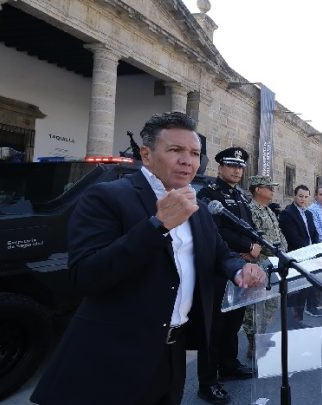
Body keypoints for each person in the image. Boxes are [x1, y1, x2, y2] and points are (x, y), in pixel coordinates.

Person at [30, 112, 266, 405]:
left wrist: (241, 269)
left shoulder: (199, 208)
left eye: (194, 153)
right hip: (115, 355)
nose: (187, 160)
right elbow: (86, 275)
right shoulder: (107, 197)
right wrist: (157, 225)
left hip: (173, 350)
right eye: (175, 150)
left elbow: (220, 253)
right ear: (146, 153)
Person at [194, 147, 261, 403]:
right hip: (220, 270)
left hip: (242, 268)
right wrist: (245, 249)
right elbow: (215, 231)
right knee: (214, 327)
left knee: (233, 321)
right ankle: (208, 381)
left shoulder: (241, 197)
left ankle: (229, 365)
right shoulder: (209, 195)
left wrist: (255, 246)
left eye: (240, 167)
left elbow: (249, 226)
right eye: (231, 165)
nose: (237, 170)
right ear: (220, 167)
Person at [244, 175, 288, 355]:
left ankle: (262, 336)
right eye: (268, 187)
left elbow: (279, 234)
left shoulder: (268, 210)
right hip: (259, 264)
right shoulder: (251, 209)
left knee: (271, 303)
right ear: (257, 189)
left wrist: (284, 251)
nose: (272, 190)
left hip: (274, 264)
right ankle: (253, 342)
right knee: (253, 307)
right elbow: (260, 239)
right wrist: (277, 252)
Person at [278, 185, 319, 325]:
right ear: (295, 196)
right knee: (294, 293)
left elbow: (314, 233)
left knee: (304, 290)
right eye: (300, 196)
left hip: (309, 256)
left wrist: (316, 248)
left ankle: (299, 321)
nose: (303, 199)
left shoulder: (308, 214)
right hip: (295, 258)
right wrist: (309, 250)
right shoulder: (287, 213)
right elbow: (292, 238)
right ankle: (290, 324)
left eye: (306, 197)